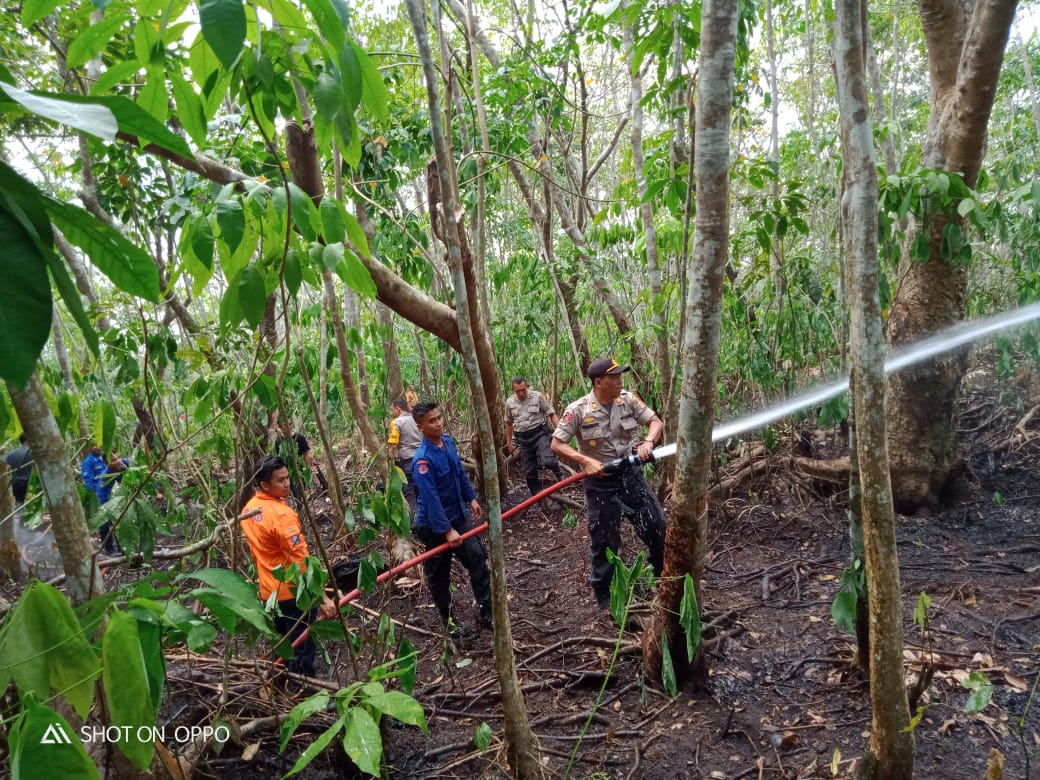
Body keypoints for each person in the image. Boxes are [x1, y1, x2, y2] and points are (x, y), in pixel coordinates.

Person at [551, 357, 667, 610]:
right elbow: (556, 444)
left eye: (620, 376)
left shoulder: (627, 399)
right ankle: (605, 598)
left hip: (631, 476)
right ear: (598, 382)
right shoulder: (578, 410)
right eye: (614, 377)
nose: (619, 381)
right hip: (600, 485)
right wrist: (584, 460)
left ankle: (660, 578)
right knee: (605, 543)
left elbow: (655, 422)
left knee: (658, 526)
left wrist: (648, 441)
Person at [240, 456, 337, 677]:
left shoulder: (250, 509)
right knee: (302, 649)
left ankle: (283, 688)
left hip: (269, 594)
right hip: (294, 593)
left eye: (287, 477)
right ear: (264, 485)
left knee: (283, 646)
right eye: (280, 480)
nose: (288, 483)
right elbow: (300, 561)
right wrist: (321, 597)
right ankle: (304, 692)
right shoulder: (282, 516)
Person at [410, 402, 493, 637]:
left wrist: (472, 498)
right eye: (431, 421)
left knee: (477, 559)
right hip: (434, 527)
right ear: (420, 427)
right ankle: (451, 625)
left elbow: (459, 474)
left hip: (459, 515)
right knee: (440, 576)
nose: (438, 423)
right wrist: (446, 530)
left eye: (439, 418)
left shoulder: (448, 442)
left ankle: (487, 612)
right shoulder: (422, 461)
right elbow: (431, 498)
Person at [504, 378, 565, 505]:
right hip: (524, 440)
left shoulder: (537, 397)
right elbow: (508, 423)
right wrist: (509, 443)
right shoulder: (510, 402)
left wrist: (561, 433)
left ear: (527, 386)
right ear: (513, 390)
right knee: (529, 473)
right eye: (518, 391)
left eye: (523, 390)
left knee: (547, 460)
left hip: (540, 434)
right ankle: (538, 498)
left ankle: (560, 473)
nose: (521, 393)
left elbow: (551, 414)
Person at [388, 397, 422, 516]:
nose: (392, 413)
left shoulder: (396, 422)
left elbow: (393, 445)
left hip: (408, 461)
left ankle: (416, 524)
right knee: (422, 491)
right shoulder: (417, 419)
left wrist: (392, 461)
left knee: (410, 493)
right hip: (423, 459)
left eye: (392, 410)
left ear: (398, 409)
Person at [5, 434, 33, 516]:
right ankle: (27, 525)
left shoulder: (12, 453)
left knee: (19, 504)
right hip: (29, 483)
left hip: (16, 482)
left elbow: (7, 469)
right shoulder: (32, 452)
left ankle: (20, 523)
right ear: (27, 440)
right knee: (29, 504)